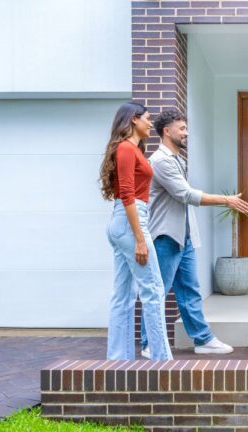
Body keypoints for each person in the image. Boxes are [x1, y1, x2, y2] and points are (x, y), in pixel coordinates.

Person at [140, 108, 248, 357]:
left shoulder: (178, 159)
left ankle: (203, 340)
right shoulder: (160, 161)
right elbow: (186, 195)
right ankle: (149, 344)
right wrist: (227, 200)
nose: (186, 133)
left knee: (190, 290)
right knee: (157, 291)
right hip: (166, 237)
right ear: (166, 131)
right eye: (182, 128)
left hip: (183, 238)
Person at [98, 102, 172, 361]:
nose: (151, 124)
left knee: (123, 294)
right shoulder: (127, 149)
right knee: (153, 290)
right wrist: (140, 238)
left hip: (123, 222)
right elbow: (128, 195)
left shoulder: (129, 149)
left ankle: (118, 361)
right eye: (148, 119)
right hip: (131, 222)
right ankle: (163, 361)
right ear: (133, 120)